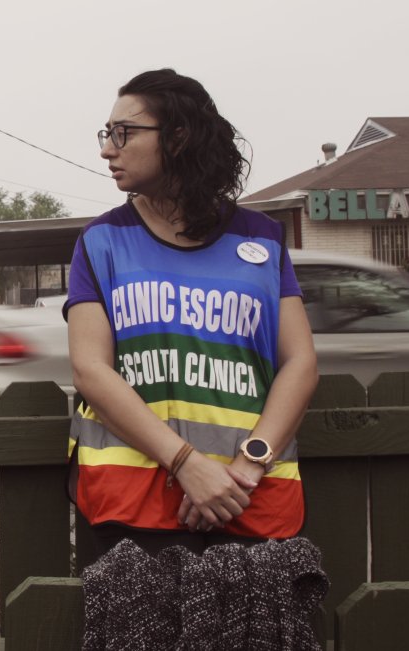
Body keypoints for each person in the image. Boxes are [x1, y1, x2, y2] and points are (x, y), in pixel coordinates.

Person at [65, 68, 319, 561]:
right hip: (133, 505)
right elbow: (89, 370)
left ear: (178, 137)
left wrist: (247, 467)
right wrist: (187, 465)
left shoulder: (262, 238)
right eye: (107, 133)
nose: (106, 149)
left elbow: (301, 363)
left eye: (124, 133)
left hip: (252, 499)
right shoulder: (101, 242)